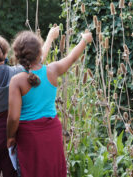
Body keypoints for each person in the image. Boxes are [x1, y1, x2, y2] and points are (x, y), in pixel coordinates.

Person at [0, 27, 59, 177]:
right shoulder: (13, 73)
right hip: (10, 134)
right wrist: (50, 38)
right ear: (4, 54)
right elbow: (38, 60)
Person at [7, 30, 93, 177]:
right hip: (52, 132)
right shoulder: (52, 70)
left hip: (29, 137)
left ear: (17, 55)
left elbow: (14, 118)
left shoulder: (17, 81)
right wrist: (84, 40)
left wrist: (10, 137)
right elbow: (72, 58)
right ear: (39, 51)